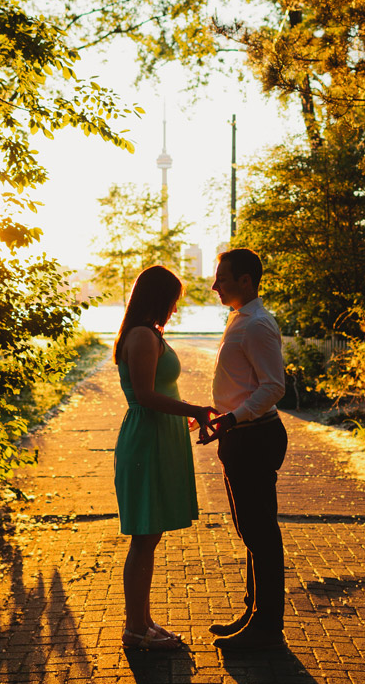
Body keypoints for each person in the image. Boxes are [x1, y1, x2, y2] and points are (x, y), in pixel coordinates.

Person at [114, 265, 214, 651]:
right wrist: (195, 408)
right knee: (143, 536)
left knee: (149, 536)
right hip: (147, 440)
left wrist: (182, 413)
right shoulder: (141, 335)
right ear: (160, 298)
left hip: (158, 436)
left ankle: (142, 621)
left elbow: (158, 389)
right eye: (173, 300)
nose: (175, 308)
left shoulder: (148, 333)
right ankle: (135, 630)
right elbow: (144, 395)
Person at [207, 248, 287, 649]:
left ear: (245, 280)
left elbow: (274, 387)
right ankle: (254, 612)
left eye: (221, 278)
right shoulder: (239, 318)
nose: (214, 285)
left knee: (260, 533)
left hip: (254, 436)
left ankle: (267, 626)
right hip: (239, 434)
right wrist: (222, 416)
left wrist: (234, 418)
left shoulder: (256, 324)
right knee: (250, 530)